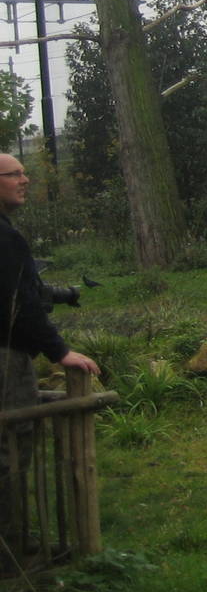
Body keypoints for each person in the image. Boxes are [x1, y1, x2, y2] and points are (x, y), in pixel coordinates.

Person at [0, 152, 99, 567]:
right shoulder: (6, 238)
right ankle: (10, 554)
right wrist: (60, 352)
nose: (25, 180)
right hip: (5, 359)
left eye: (25, 172)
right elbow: (20, 304)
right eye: (15, 174)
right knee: (10, 448)